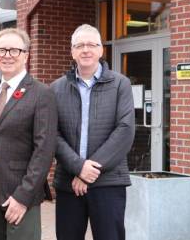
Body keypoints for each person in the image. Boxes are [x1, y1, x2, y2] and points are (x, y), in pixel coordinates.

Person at [0, 28, 57, 240]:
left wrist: (23, 197)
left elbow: (43, 151)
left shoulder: (42, 94)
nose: (7, 55)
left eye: (14, 50)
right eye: (1, 50)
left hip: (20, 195)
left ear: (26, 54)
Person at [50, 24, 135, 240]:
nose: (86, 50)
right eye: (80, 45)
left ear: (101, 50)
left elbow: (124, 131)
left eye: (91, 45)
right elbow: (52, 133)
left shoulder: (120, 84)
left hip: (108, 183)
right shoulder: (56, 88)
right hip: (70, 183)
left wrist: (89, 172)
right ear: (72, 51)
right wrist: (79, 167)